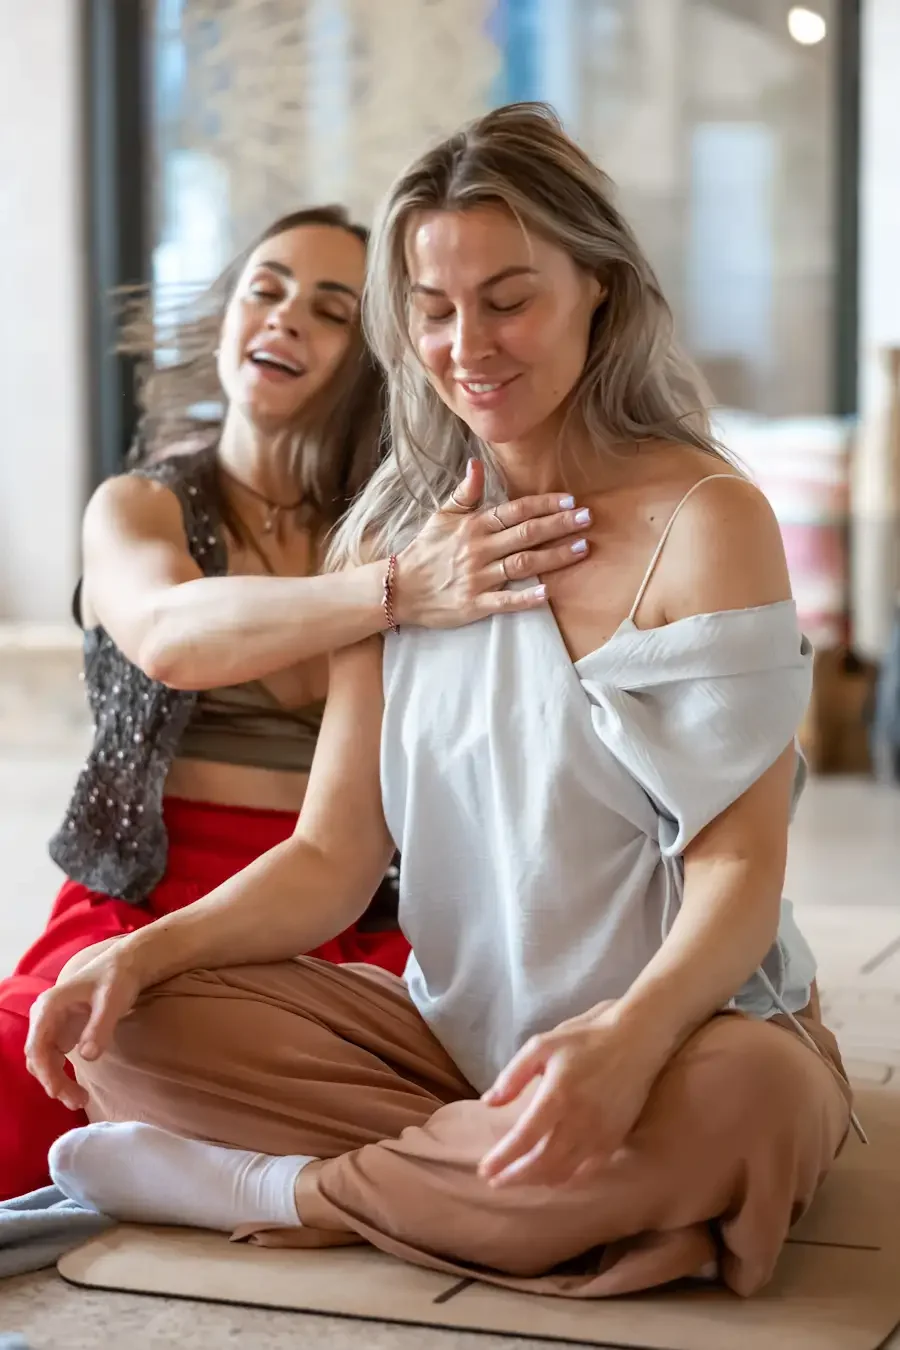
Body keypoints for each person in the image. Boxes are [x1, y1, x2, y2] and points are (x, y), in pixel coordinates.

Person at [28, 107, 858, 1298]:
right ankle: (532, 1192)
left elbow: (738, 871)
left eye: (509, 298)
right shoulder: (394, 542)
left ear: (601, 292)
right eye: (431, 308)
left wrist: (625, 1046)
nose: (467, 343)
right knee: (134, 1025)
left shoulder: (707, 521)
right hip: (443, 1047)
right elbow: (332, 856)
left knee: (750, 1106)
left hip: (692, 1034)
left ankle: (288, 1192)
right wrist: (144, 954)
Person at [1, 200, 590, 1202]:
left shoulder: (403, 524)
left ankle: (219, 1172)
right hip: (140, 890)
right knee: (37, 1064)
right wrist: (396, 593)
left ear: (372, 358)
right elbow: (170, 634)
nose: (281, 318)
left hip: (346, 900)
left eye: (327, 309)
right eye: (263, 290)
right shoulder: (142, 506)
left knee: (506, 1107)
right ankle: (206, 1164)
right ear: (228, 319)